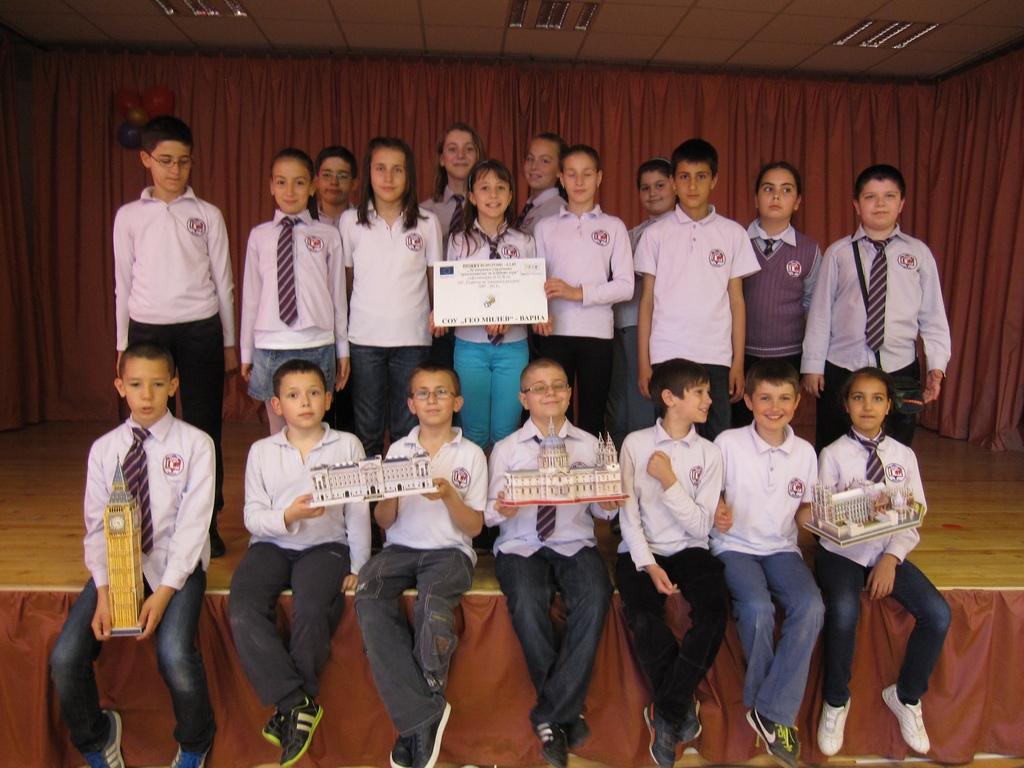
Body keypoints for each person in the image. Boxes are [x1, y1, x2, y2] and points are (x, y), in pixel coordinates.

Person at [49, 343, 216, 768]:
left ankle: (195, 741)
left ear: (174, 385)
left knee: (174, 654)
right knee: (66, 657)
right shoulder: (105, 450)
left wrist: (164, 594)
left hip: (176, 567)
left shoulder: (196, 444)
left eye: (157, 385)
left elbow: (193, 527)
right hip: (119, 565)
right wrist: (104, 592)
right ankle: (96, 737)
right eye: (136, 384)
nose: (147, 395)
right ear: (120, 386)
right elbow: (95, 527)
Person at [229, 359, 370, 768]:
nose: (304, 402)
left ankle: (293, 706)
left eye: (313, 393)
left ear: (328, 399)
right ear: (277, 405)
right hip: (272, 543)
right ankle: (296, 702)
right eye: (293, 395)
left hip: (326, 545)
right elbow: (252, 516)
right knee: (242, 608)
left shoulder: (347, 445)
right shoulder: (262, 451)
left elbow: (358, 510)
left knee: (311, 607)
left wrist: (359, 565)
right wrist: (287, 515)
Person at [486, 358, 619, 768]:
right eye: (538, 388)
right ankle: (565, 714)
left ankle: (550, 715)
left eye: (558, 386)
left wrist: (608, 504)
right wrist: (502, 509)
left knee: (596, 596)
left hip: (573, 542)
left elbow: (604, 510)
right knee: (527, 602)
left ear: (570, 393)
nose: (550, 394)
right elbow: (488, 513)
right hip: (520, 544)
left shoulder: (590, 445)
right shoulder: (507, 449)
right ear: (523, 398)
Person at [113, 115, 235, 557]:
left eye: (183, 161)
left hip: (201, 327)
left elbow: (224, 281)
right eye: (165, 160)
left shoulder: (207, 214)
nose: (174, 170)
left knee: (204, 429)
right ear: (146, 159)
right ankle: (151, 519)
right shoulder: (129, 216)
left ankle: (207, 523)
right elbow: (122, 283)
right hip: (146, 330)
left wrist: (229, 342)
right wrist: (123, 346)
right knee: (148, 425)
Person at [356, 363, 487, 768]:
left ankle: (413, 722)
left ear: (457, 402)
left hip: (450, 551)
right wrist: (392, 493)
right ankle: (423, 715)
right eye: (423, 393)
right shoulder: (398, 451)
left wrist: (448, 495)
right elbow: (383, 521)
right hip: (399, 548)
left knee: (432, 605)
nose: (432, 400)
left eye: (441, 392)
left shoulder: (471, 454)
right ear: (411, 404)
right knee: (368, 592)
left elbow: (474, 527)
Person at [814, 367, 950, 758]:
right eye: (858, 397)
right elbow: (822, 516)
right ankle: (836, 700)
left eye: (877, 398)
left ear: (889, 406)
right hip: (842, 553)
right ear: (845, 405)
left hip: (886, 551)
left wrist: (891, 558)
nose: (867, 406)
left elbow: (915, 513)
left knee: (938, 614)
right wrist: (852, 516)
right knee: (843, 611)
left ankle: (906, 696)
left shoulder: (903, 456)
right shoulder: (832, 455)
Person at [616, 358, 730, 767]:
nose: (708, 400)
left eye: (707, 392)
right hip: (641, 549)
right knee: (642, 616)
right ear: (669, 398)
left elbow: (700, 525)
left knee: (715, 613)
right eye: (699, 392)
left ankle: (667, 710)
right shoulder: (634, 444)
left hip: (691, 549)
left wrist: (669, 481)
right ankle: (678, 706)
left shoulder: (710, 453)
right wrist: (648, 564)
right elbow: (627, 515)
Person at [711, 359, 823, 768]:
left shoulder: (805, 453)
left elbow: (805, 510)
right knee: (757, 609)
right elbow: (709, 493)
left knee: (811, 606)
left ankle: (767, 709)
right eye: (765, 398)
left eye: (784, 399)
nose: (774, 408)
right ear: (749, 401)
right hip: (733, 546)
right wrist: (717, 509)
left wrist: (831, 523)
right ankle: (773, 714)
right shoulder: (727, 442)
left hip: (782, 548)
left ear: (797, 403)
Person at [801, 164, 951, 451]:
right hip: (843, 365)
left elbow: (933, 315)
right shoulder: (838, 253)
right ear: (857, 205)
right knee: (834, 448)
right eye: (870, 197)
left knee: (894, 449)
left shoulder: (918, 253)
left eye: (889, 196)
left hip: (899, 367)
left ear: (901, 203)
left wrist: (937, 364)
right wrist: (812, 365)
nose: (880, 204)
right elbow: (820, 313)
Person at [636, 138, 760, 440]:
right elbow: (647, 301)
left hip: (716, 354)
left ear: (714, 180)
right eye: (684, 177)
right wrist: (643, 362)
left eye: (701, 176)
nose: (692, 186)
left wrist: (737, 362)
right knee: (670, 437)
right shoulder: (655, 235)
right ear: (673, 182)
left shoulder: (732, 233)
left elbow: (737, 301)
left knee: (716, 438)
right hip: (667, 352)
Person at [341, 137, 443, 458]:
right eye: (380, 168)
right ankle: (369, 492)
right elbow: (345, 283)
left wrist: (440, 313)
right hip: (364, 340)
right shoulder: (350, 221)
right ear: (368, 173)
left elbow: (435, 280)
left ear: (409, 175)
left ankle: (403, 492)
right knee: (368, 429)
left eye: (397, 169)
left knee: (406, 429)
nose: (388, 177)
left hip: (412, 339)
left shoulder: (427, 222)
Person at [240, 148, 349, 435]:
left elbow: (338, 297)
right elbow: (251, 298)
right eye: (281, 182)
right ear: (271, 186)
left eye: (299, 182)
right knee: (279, 429)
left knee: (315, 425)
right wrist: (246, 351)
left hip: (317, 341)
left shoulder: (328, 235)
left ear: (313, 186)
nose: (289, 191)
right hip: (271, 343)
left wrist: (342, 349)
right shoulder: (259, 235)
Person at [533, 144, 634, 437]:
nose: (579, 182)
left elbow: (626, 286)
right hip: (553, 332)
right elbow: (535, 280)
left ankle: (590, 466)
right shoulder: (544, 227)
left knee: (592, 415)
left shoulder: (613, 226)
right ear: (561, 178)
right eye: (572, 174)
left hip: (597, 333)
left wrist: (577, 292)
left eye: (587, 174)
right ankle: (554, 466)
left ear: (599, 177)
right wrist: (538, 314)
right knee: (552, 414)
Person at [445, 159, 534, 451]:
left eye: (500, 188)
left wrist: (512, 315)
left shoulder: (524, 241)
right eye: (484, 188)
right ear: (472, 196)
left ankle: (500, 482)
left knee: (506, 431)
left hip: (513, 346)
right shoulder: (458, 241)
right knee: (474, 431)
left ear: (510, 196)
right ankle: (475, 480)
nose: (493, 195)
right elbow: (452, 292)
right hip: (470, 345)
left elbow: (531, 290)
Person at [732, 162, 821, 428]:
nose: (776, 196)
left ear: (798, 201)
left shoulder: (809, 249)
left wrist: (810, 361)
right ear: (756, 198)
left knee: (775, 422)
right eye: (768, 189)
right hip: (740, 354)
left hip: (788, 355)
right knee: (739, 427)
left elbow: (813, 305)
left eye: (786, 190)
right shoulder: (734, 241)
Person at [607, 158, 674, 447]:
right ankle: (619, 462)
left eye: (660, 185)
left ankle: (643, 461)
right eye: (645, 188)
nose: (652, 193)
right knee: (618, 403)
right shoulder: (632, 233)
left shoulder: (681, 231)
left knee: (643, 402)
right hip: (620, 323)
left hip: (652, 326)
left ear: (675, 186)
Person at [421, 123, 486, 368]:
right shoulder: (424, 212)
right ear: (441, 158)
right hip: (435, 315)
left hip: (479, 316)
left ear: (478, 156)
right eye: (452, 149)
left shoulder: (493, 208)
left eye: (469, 149)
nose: (461, 155)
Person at [515, 132, 568, 235]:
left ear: (560, 170)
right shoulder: (531, 205)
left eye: (545, 161)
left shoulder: (557, 211)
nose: (534, 166)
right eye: (530, 159)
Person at [312, 145, 358, 227]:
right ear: (316, 182)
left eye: (342, 176)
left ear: (354, 184)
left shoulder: (364, 221)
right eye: (327, 175)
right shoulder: (303, 221)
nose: (334, 182)